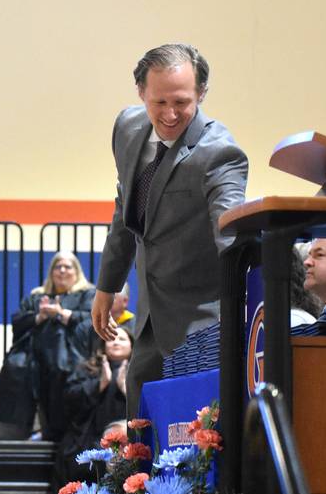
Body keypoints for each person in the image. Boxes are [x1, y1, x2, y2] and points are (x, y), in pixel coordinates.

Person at [91, 44, 249, 421]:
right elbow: (125, 212)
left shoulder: (219, 153)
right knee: (139, 438)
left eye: (182, 102)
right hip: (148, 321)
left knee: (196, 444)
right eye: (159, 102)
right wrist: (106, 287)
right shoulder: (127, 129)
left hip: (203, 328)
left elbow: (230, 230)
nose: (170, 114)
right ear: (140, 91)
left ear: (202, 94)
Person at [11, 251, 95, 442]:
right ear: (51, 272)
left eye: (68, 266)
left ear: (77, 271)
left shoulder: (88, 294)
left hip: (74, 358)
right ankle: (40, 429)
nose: (62, 271)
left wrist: (62, 314)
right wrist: (39, 317)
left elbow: (93, 321)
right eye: (58, 267)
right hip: (38, 358)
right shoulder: (37, 296)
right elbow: (18, 321)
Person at [58, 327, 133, 484]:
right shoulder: (88, 368)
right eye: (111, 338)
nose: (116, 342)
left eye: (122, 339)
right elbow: (68, 400)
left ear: (132, 345)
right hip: (90, 436)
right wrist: (99, 384)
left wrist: (127, 390)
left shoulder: (139, 371)